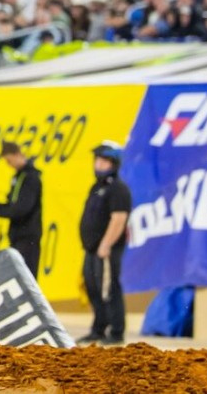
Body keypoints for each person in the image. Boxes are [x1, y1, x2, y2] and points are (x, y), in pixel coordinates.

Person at [78, 141, 132, 345]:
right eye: (97, 160)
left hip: (106, 249)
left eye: (104, 161)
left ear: (114, 164)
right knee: (92, 287)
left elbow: (119, 219)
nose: (99, 164)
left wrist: (106, 244)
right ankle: (98, 328)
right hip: (92, 248)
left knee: (109, 289)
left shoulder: (118, 189)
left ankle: (116, 331)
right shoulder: (97, 187)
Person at [0, 140, 43, 279]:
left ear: (17, 154)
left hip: (28, 237)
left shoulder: (30, 177)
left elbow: (21, 209)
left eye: (9, 160)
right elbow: (12, 204)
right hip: (18, 236)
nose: (9, 164)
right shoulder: (18, 176)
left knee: (26, 278)